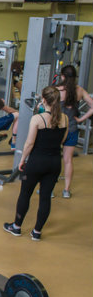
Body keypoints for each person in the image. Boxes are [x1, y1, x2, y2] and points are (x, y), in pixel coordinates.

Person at [3, 86, 68, 241]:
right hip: (54, 162)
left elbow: (29, 143)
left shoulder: (38, 119)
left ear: (43, 100)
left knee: (25, 193)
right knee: (45, 197)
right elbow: (63, 140)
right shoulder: (64, 118)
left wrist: (22, 159)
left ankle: (17, 227)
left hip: (37, 162)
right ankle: (37, 232)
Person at [55, 65, 93, 198]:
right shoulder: (80, 90)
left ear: (63, 76)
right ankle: (66, 190)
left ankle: (49, 190)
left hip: (57, 130)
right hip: (72, 129)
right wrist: (81, 119)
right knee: (68, 160)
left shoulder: (56, 90)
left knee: (53, 158)